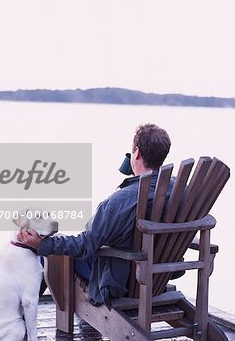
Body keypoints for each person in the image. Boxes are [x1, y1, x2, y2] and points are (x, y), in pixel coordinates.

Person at [18, 123, 172, 306]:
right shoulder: (178, 190)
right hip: (157, 275)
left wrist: (43, 244)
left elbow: (85, 245)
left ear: (136, 153)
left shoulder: (121, 201)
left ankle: (22, 317)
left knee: (50, 254)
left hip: (120, 279)